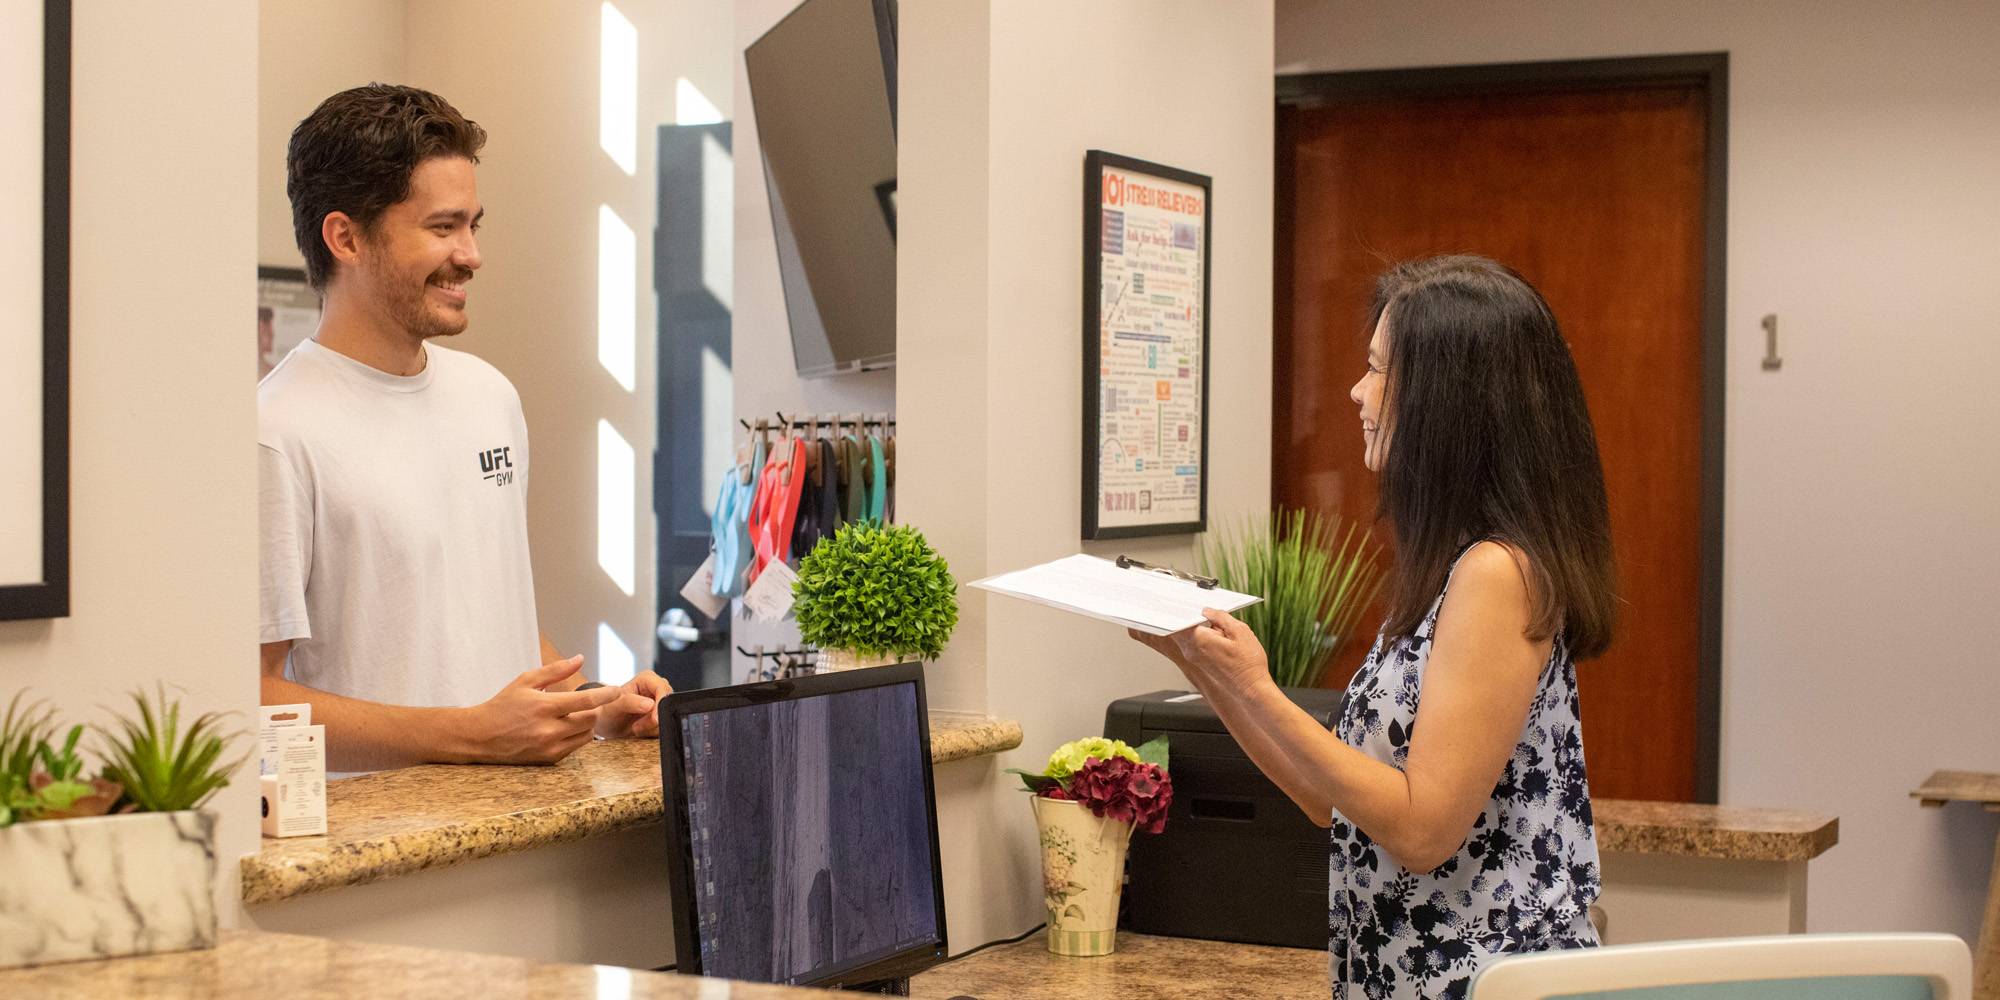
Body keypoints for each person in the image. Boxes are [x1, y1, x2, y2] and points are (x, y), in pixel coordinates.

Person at [1131, 255, 1616, 998]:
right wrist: (1206, 670)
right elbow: (1328, 801)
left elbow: (1423, 831)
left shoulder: (1497, 573)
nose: (1358, 391)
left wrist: (1256, 688)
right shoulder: (1448, 567)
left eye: (1379, 368)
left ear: (1449, 400)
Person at [259, 84, 670, 771]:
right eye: (444, 227)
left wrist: (593, 707)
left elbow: (488, 613)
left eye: (474, 224)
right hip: (386, 859)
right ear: (346, 237)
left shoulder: (490, 395)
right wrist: (470, 735)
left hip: (529, 828)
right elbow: (252, 697)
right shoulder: (276, 431)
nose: (472, 254)